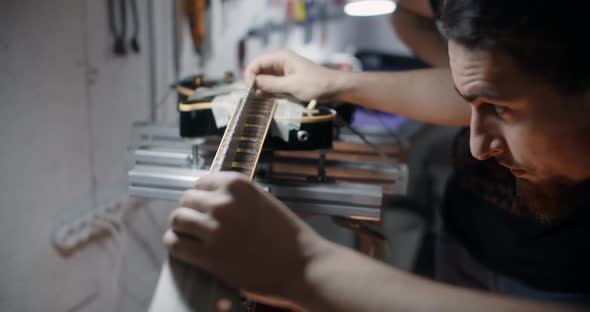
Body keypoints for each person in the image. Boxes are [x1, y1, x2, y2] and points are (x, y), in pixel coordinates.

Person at [162, 0, 590, 310]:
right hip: (471, 245)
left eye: (501, 111)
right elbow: (491, 86)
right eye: (474, 105)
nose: (478, 148)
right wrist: (334, 83)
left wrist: (305, 267)